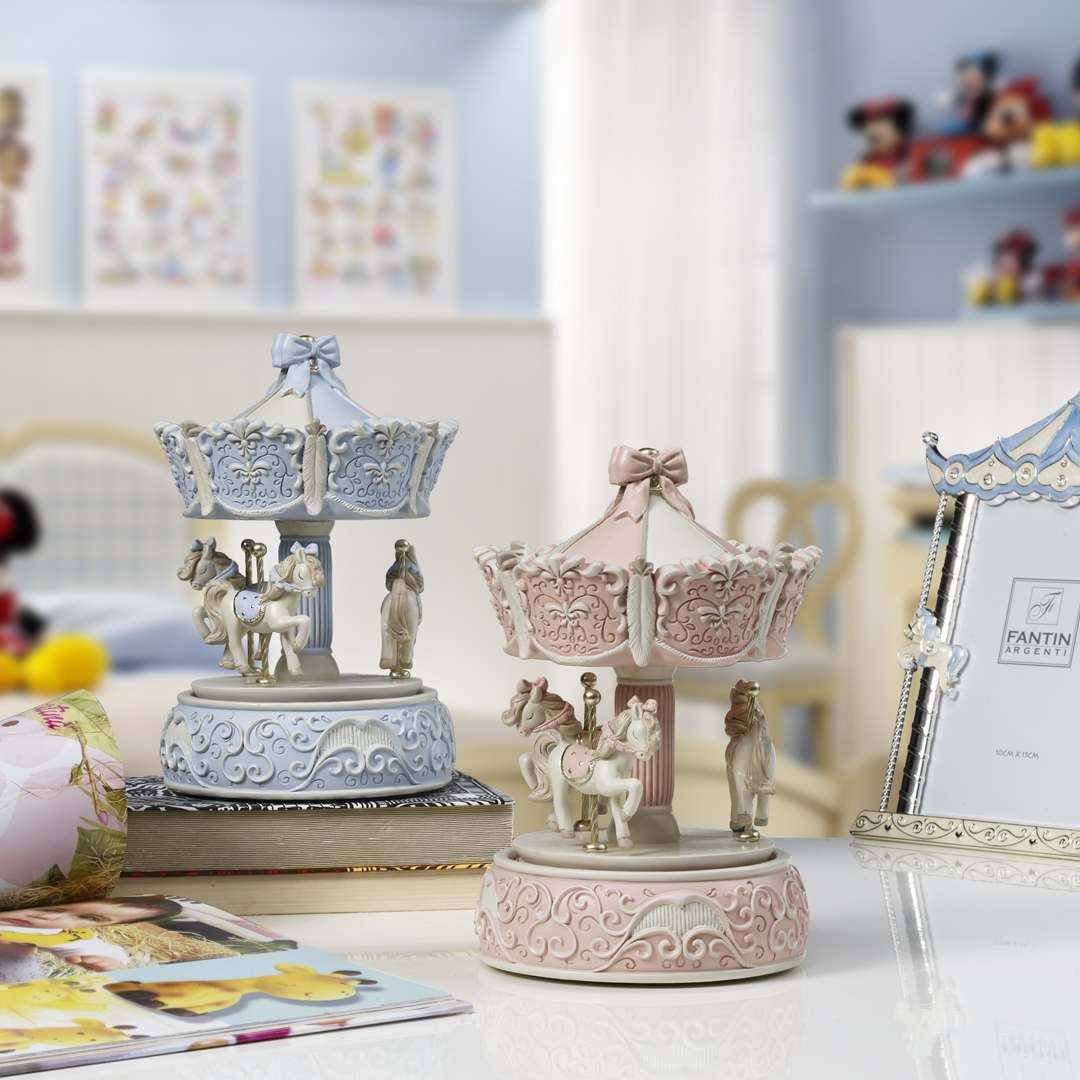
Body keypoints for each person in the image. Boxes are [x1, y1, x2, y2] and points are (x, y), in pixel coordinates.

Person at [0, 896, 183, 976]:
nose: (49, 917)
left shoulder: (57, 933)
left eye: (87, 917)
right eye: (51, 908)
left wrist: (113, 962)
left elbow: (99, 948)